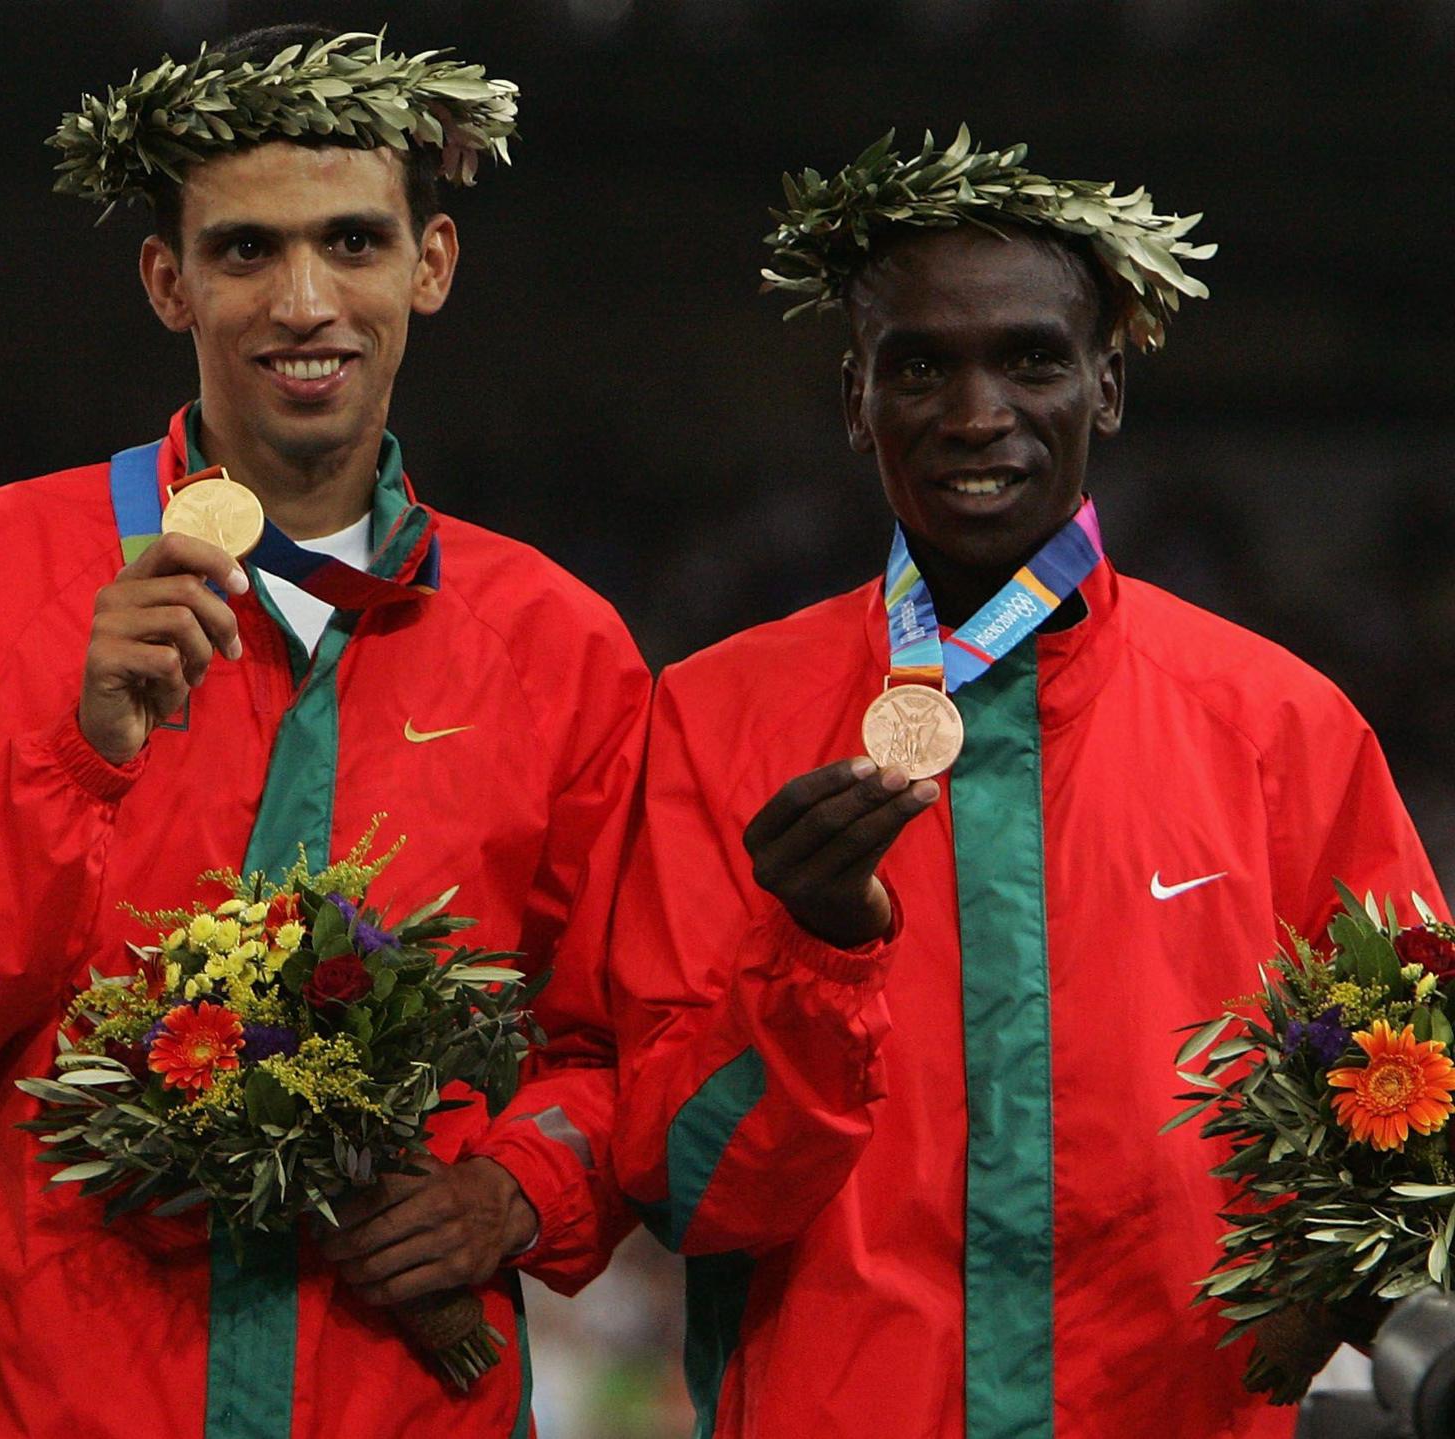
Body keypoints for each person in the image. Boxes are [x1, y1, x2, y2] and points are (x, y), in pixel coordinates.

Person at [0, 26, 647, 1439]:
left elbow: (621, 1048)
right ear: (166, 280)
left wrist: (514, 1188)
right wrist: (79, 759)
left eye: (354, 244)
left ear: (430, 265)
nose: (305, 300)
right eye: (246, 250)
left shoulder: (559, 646)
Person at [601, 130, 1439, 1436]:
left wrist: (1343, 1304)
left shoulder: (1280, 723)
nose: (976, 412)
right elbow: (686, 1187)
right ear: (853, 396)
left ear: (1107, 383)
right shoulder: (713, 717)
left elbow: (1415, 1122)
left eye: (1031, 358)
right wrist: (813, 955)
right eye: (919, 364)